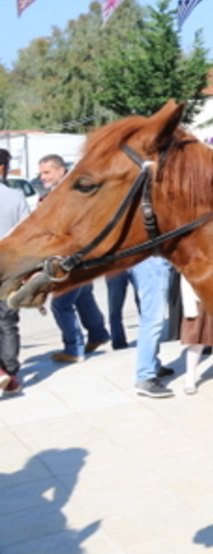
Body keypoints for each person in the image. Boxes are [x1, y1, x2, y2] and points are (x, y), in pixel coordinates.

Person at [40, 155, 111, 364]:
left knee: (60, 304)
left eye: (47, 172)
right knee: (83, 295)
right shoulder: (66, 192)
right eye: (41, 173)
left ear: (61, 170)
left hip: (73, 257)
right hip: (81, 256)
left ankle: (74, 349)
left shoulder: (70, 194)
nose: (42, 177)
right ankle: (98, 334)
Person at [0, 149, 30, 394]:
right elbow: (27, 234)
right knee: (8, 321)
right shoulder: (15, 196)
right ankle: (10, 374)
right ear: (3, 168)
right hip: (9, 265)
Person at [131, 256, 176, 398]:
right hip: (153, 262)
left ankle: (153, 366)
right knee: (153, 320)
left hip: (149, 261)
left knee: (151, 318)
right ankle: (145, 376)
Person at [179, 276, 213, 395]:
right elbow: (186, 281)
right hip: (198, 301)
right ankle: (190, 378)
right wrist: (189, 307)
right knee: (196, 341)